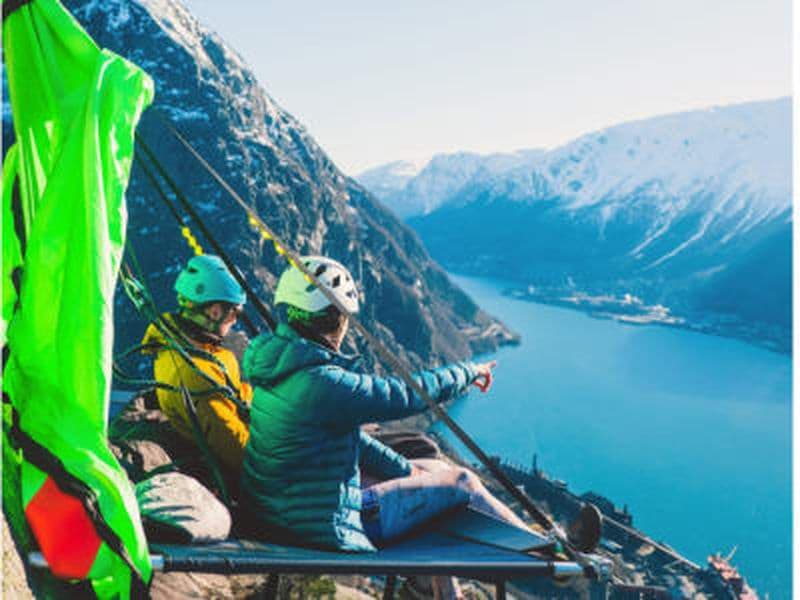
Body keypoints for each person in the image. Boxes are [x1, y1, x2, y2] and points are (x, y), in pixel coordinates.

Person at [240, 256, 530, 557]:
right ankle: (547, 552)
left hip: (280, 514)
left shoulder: (275, 367)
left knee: (434, 469)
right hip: (321, 530)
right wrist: (470, 372)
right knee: (462, 481)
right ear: (336, 319)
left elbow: (353, 440)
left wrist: (407, 470)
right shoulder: (322, 382)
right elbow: (406, 394)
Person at [141, 254, 253, 475]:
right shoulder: (196, 374)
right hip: (226, 474)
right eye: (235, 313)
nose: (235, 321)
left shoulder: (177, 344)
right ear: (214, 312)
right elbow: (238, 451)